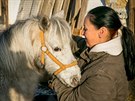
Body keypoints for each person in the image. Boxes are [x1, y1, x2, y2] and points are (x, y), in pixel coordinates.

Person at [49, 6, 135, 101]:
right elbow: (75, 42)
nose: (82, 32)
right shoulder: (99, 44)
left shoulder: (103, 75)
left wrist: (56, 75)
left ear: (101, 32)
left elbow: (71, 99)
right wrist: (55, 35)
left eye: (85, 29)